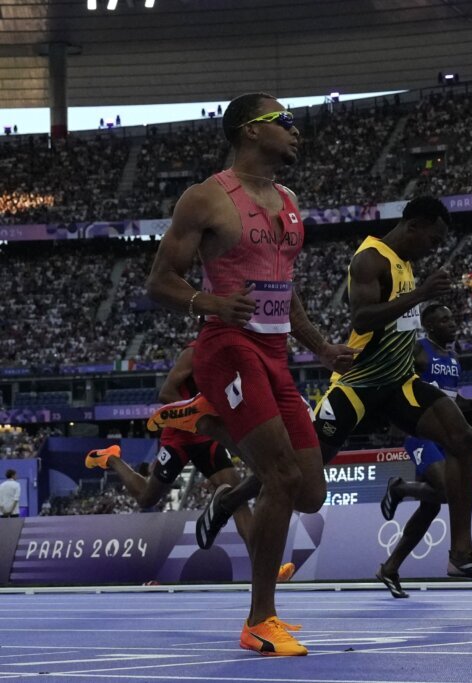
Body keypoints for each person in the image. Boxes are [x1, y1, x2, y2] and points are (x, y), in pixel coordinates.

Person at [190, 197, 472, 585]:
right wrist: (422, 294)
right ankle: (228, 500)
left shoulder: (406, 264)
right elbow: (362, 318)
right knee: (293, 469)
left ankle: (462, 553)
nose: (435, 247)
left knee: (461, 436)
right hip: (357, 384)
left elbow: (402, 327)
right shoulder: (369, 258)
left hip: (397, 384)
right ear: (414, 225)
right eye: (434, 238)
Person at [145, 92, 354, 656]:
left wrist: (323, 349)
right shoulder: (206, 198)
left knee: (309, 492)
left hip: (276, 355)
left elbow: (286, 290)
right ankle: (260, 619)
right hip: (228, 348)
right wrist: (208, 304)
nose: (296, 130)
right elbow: (159, 282)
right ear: (249, 130)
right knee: (281, 477)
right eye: (283, 121)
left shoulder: (288, 200)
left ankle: (211, 422)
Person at [86, 343, 295, 582]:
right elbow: (165, 393)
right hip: (180, 436)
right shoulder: (194, 353)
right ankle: (111, 458)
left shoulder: (236, 355)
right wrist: (197, 415)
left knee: (237, 499)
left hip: (208, 436)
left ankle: (269, 569)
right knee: (147, 497)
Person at [376, 303, 472, 598]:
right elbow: (397, 383)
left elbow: (448, 402)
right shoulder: (418, 350)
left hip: (445, 438)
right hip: (421, 436)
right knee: (447, 491)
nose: (452, 324)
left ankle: (390, 567)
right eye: (444, 320)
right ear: (429, 326)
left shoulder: (453, 359)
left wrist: (470, 405)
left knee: (431, 506)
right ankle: (399, 488)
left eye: (452, 318)